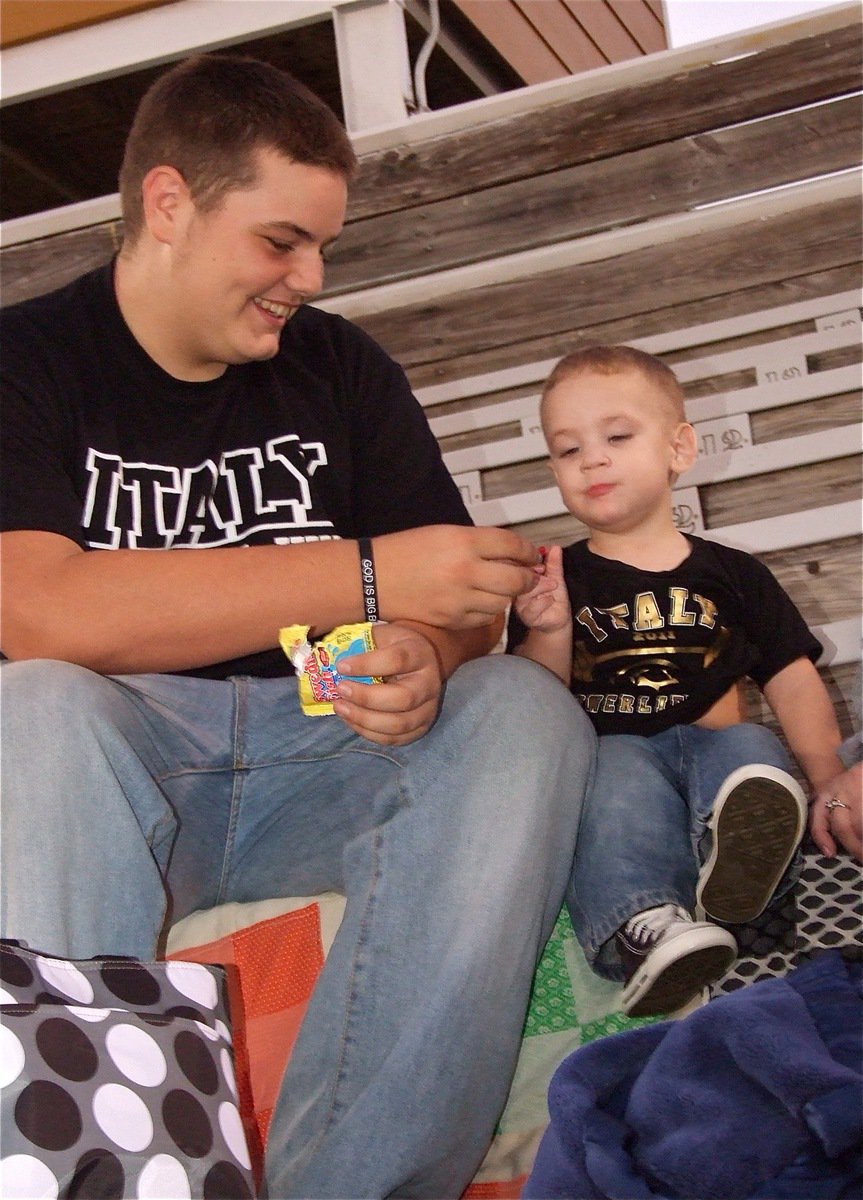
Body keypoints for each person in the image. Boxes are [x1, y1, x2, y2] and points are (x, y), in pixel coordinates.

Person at [0, 55, 597, 1198]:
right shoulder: (22, 361)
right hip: (119, 771)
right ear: (169, 204)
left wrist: (427, 655)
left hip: (325, 748)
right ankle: (106, 1179)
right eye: (281, 242)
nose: (309, 278)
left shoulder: (342, 369)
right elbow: (36, 609)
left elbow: (457, 603)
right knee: (30, 702)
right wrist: (366, 577)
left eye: (322, 246)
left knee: (522, 706)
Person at [508, 344, 848, 1018]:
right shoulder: (553, 579)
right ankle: (646, 930)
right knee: (610, 782)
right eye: (567, 449)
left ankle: (741, 881)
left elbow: (790, 678)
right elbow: (532, 705)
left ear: (678, 448)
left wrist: (828, 779)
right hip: (618, 752)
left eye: (616, 436)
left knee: (752, 754)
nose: (591, 460)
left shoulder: (734, 573)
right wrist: (545, 630)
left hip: (716, 751)